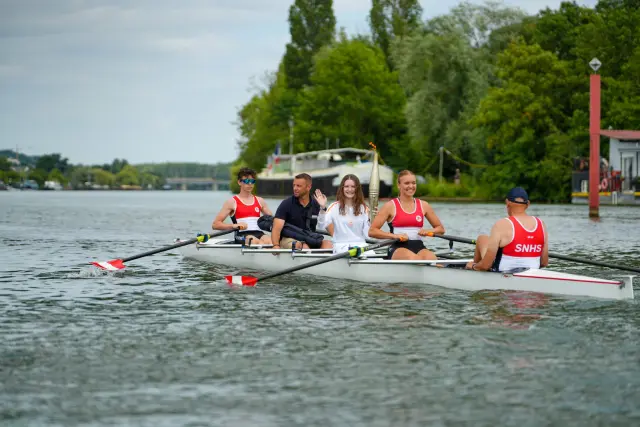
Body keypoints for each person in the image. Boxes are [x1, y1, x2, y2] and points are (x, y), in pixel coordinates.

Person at [465, 187, 548, 272]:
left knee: (482, 239)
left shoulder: (501, 224)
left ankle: (475, 273)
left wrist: (473, 266)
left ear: (507, 203)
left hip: (503, 274)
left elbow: (486, 266)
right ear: (528, 204)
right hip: (532, 274)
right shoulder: (541, 224)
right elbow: (544, 263)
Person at [368, 170, 445, 260]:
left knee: (433, 259)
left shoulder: (424, 205)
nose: (411, 186)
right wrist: (394, 236)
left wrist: (428, 231)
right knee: (415, 259)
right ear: (399, 185)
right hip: (398, 247)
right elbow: (372, 231)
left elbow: (440, 229)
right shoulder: (390, 206)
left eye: (413, 183)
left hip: (419, 246)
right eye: (407, 183)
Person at [314, 174, 374, 255]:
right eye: (346, 186)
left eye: (353, 186)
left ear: (357, 189)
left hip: (361, 246)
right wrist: (322, 208)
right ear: (342, 188)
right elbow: (321, 226)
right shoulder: (333, 207)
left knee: (372, 255)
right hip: (340, 246)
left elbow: (367, 235)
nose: (350, 189)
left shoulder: (364, 208)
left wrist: (372, 218)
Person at [271, 173, 333, 250]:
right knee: (303, 246)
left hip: (310, 239)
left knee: (329, 245)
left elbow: (324, 225)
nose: (295, 188)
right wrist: (275, 245)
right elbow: (276, 228)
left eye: (298, 186)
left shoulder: (316, 204)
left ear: (308, 187)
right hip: (289, 239)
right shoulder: (286, 204)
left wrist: (323, 207)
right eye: (294, 185)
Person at [212, 167, 272, 245]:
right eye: (247, 181)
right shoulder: (232, 202)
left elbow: (273, 220)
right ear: (239, 182)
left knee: (271, 241)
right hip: (241, 235)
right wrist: (234, 225)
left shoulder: (260, 201)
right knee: (254, 241)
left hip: (259, 233)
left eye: (252, 181)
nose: (250, 184)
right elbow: (215, 224)